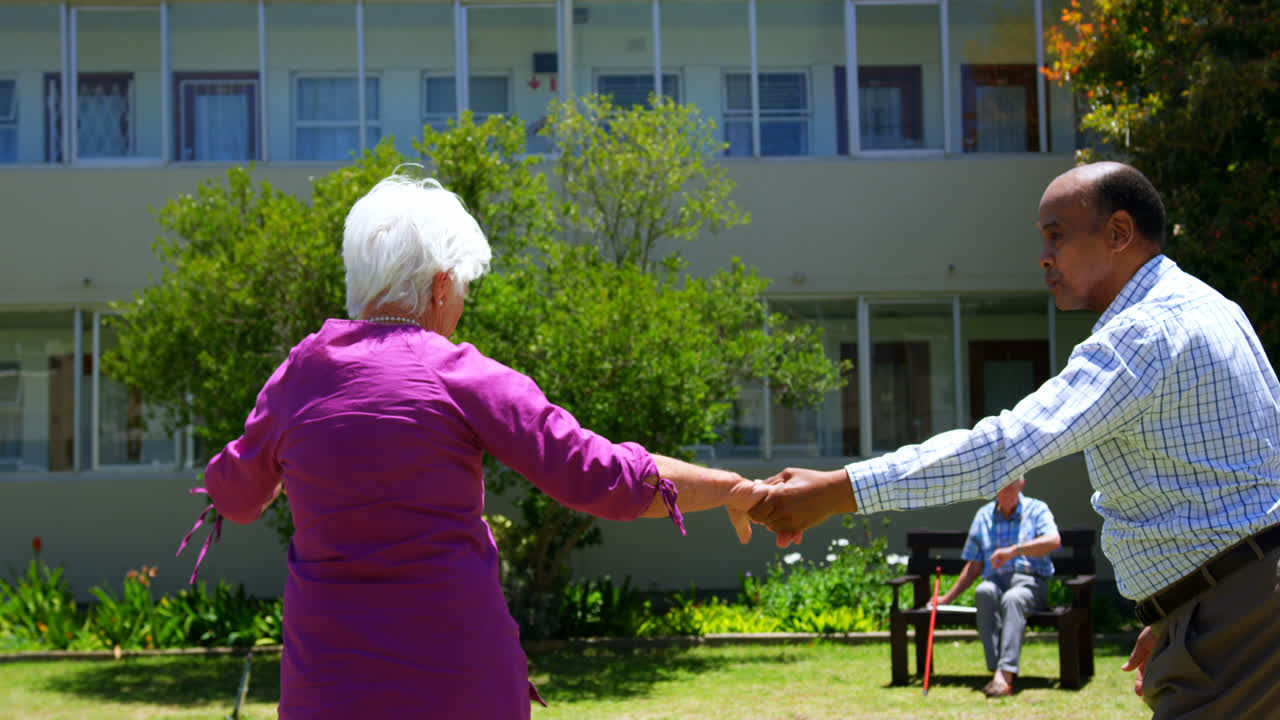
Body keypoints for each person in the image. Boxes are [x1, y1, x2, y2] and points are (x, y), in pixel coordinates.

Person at [182, 173, 769, 719]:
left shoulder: (300, 374)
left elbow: (236, 493)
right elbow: (600, 475)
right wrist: (730, 489)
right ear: (440, 287)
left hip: (328, 692)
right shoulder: (458, 373)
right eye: (462, 287)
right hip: (460, 686)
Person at [750, 162, 1280, 718]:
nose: (1044, 257)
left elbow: (1005, 447)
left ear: (1119, 233)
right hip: (1233, 605)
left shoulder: (1145, 331)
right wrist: (1177, 611)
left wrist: (837, 491)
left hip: (1232, 616)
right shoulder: (1212, 307)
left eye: (1058, 235)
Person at [929, 475, 1060, 697]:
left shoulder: (1036, 509)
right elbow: (973, 565)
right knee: (983, 591)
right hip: (996, 583)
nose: (1006, 491)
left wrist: (1015, 551)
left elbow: (1053, 541)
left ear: (1021, 484)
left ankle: (1004, 676)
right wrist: (945, 599)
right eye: (1000, 487)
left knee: (1013, 598)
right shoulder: (983, 516)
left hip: (1030, 583)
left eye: (1010, 486)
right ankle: (997, 668)